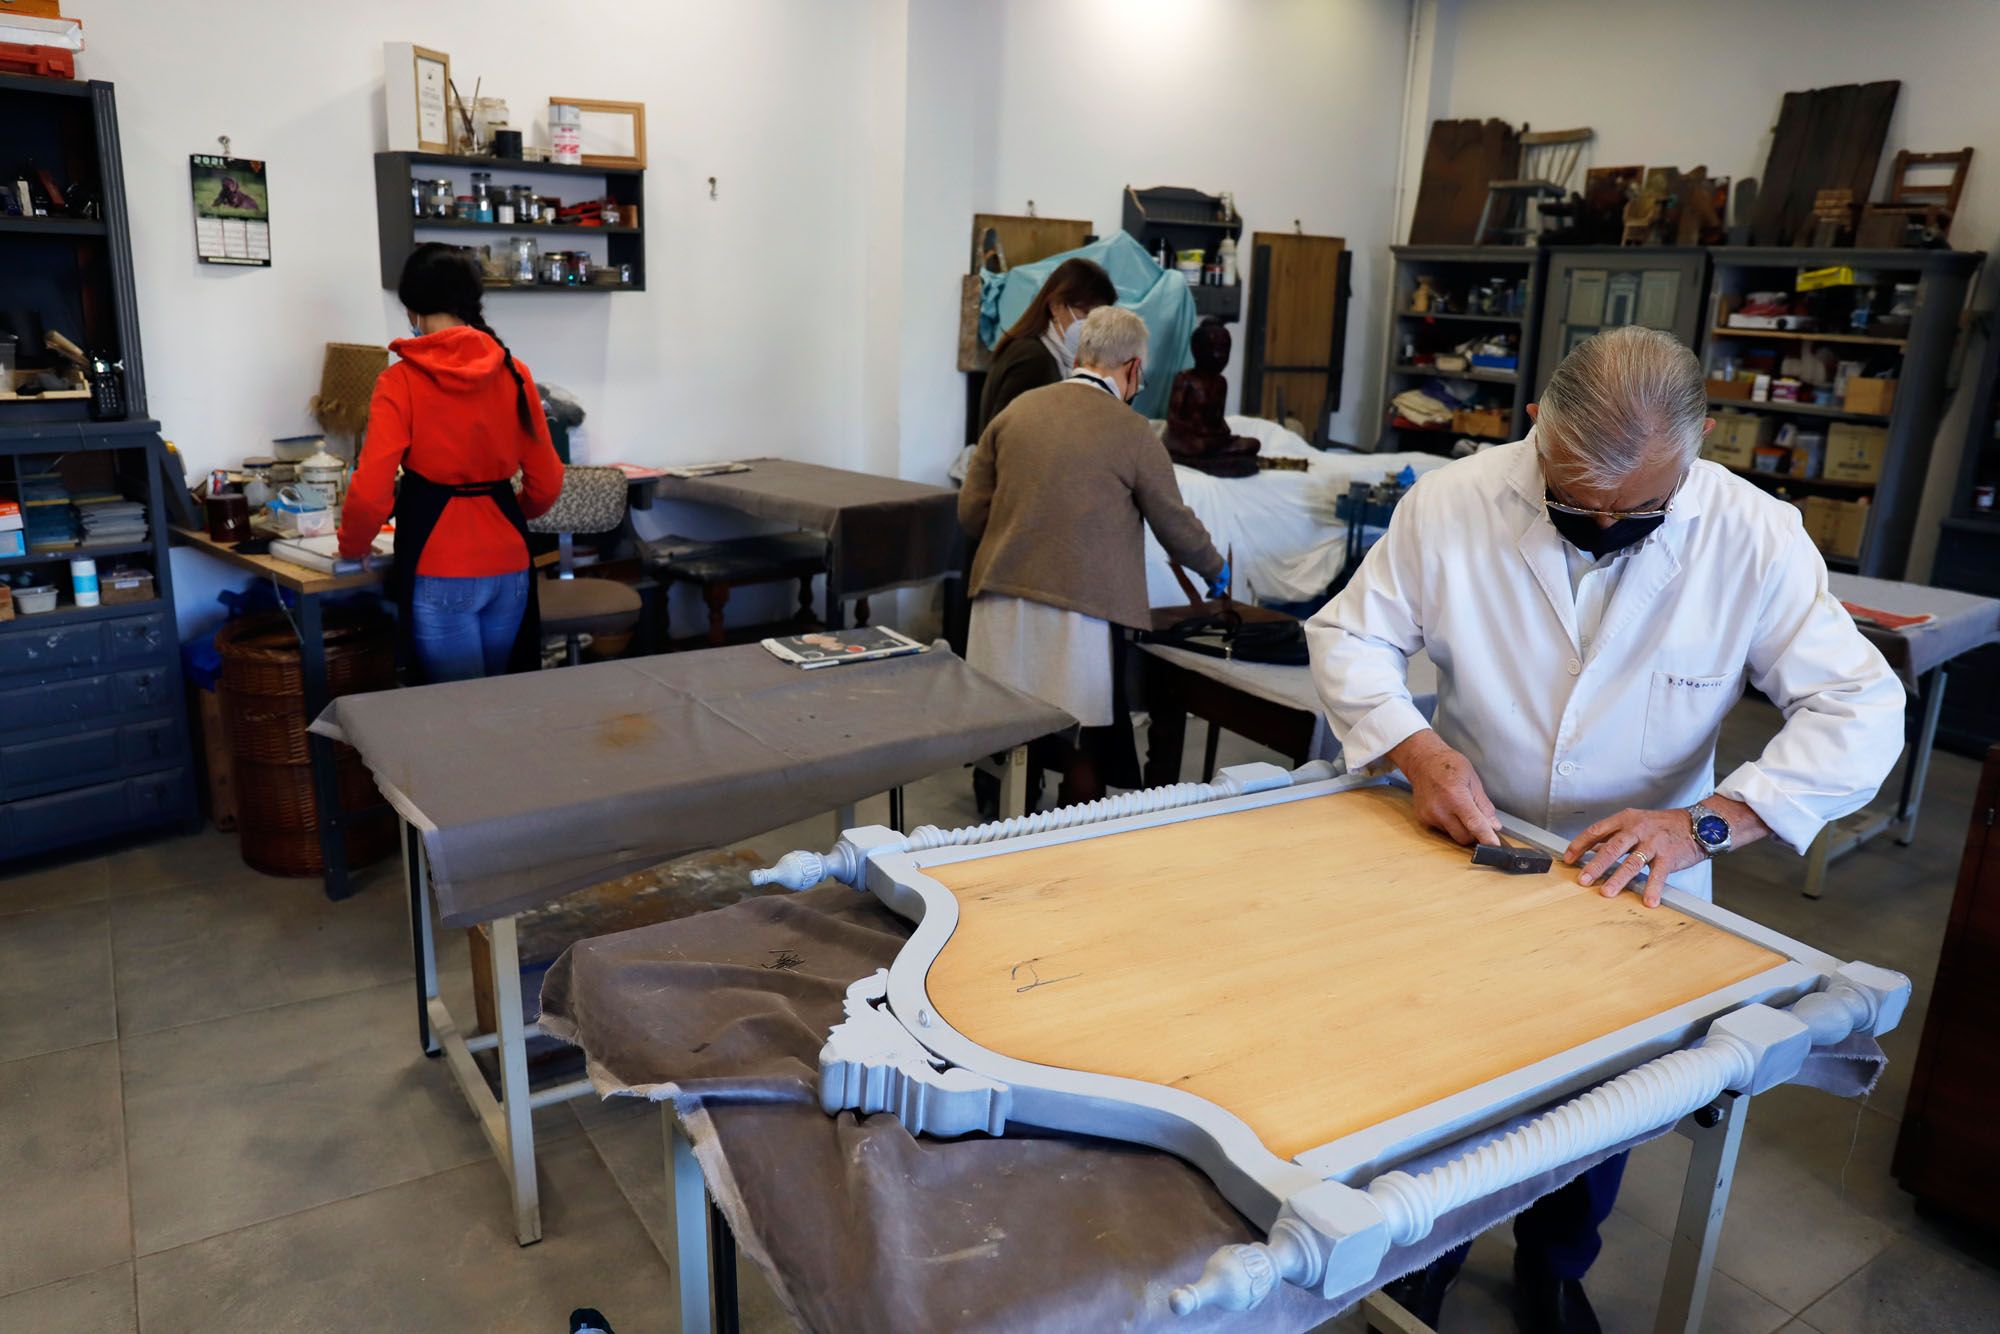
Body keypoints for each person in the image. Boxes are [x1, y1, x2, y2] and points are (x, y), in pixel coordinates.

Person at [1307, 326, 1903, 1333]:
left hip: (1640, 868)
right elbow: (1350, 632)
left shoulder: (1750, 535)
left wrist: (1708, 823)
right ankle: (1426, 1253)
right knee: (1443, 1066)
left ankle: (1553, 1261)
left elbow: (1859, 708)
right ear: (1535, 424)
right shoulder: (1454, 501)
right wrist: (1414, 748)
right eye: (1574, 500)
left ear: (1698, 442)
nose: (1599, 523)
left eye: (1633, 510)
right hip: (1470, 837)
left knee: (1600, 1095)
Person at [962, 306, 1228, 804]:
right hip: (1078, 617)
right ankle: (1074, 861)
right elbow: (1174, 524)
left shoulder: (1015, 412)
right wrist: (1215, 568)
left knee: (1008, 743)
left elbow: (971, 514)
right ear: (1132, 369)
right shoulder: (1131, 433)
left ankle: (999, 850)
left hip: (998, 602)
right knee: (1082, 748)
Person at [338, 244, 565, 684]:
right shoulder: (513, 370)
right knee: (504, 703)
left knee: (453, 718)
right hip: (511, 563)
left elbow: (370, 493)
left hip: (438, 565)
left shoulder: (399, 379)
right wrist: (506, 512)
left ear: (412, 309)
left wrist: (354, 546)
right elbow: (549, 482)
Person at [975, 256, 1119, 436]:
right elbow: (1005, 439)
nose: (1093, 325)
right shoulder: (1033, 358)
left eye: (1099, 317)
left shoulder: (1051, 356)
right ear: (1056, 306)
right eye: (1086, 313)